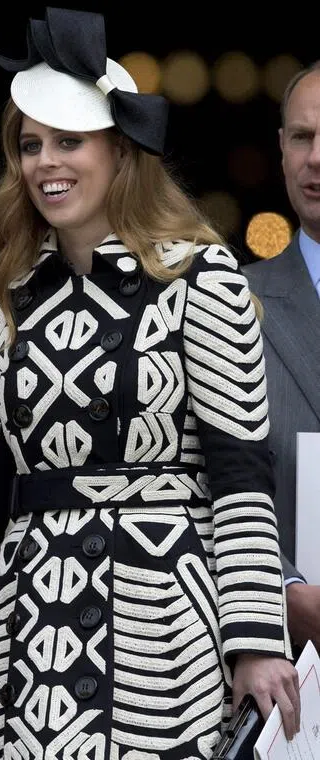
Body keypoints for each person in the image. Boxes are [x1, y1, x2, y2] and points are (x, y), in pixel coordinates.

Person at [0, 8, 300, 757]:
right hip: (21, 646)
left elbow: (242, 473)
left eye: (68, 141)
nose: (45, 162)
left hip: (163, 644)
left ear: (121, 151)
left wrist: (255, 639)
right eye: (30, 145)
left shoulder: (200, 277)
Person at [244, 61, 320, 654]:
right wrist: (283, 586)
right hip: (291, 664)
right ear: (281, 148)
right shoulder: (231, 301)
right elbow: (203, 479)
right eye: (302, 137)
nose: (316, 158)